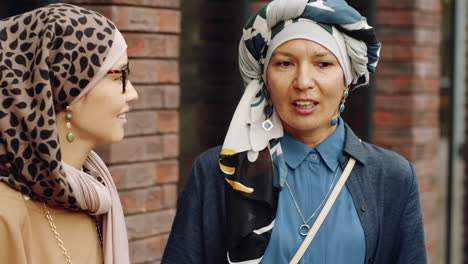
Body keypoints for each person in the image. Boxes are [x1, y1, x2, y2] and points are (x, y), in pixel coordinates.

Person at [162, 0, 427, 263]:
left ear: (347, 79)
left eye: (323, 64)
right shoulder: (218, 172)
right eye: (285, 64)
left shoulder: (392, 177)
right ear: (265, 79)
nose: (302, 82)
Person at [0, 3, 138, 264]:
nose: (132, 93)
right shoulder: (6, 214)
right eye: (120, 75)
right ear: (66, 87)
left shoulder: (92, 195)